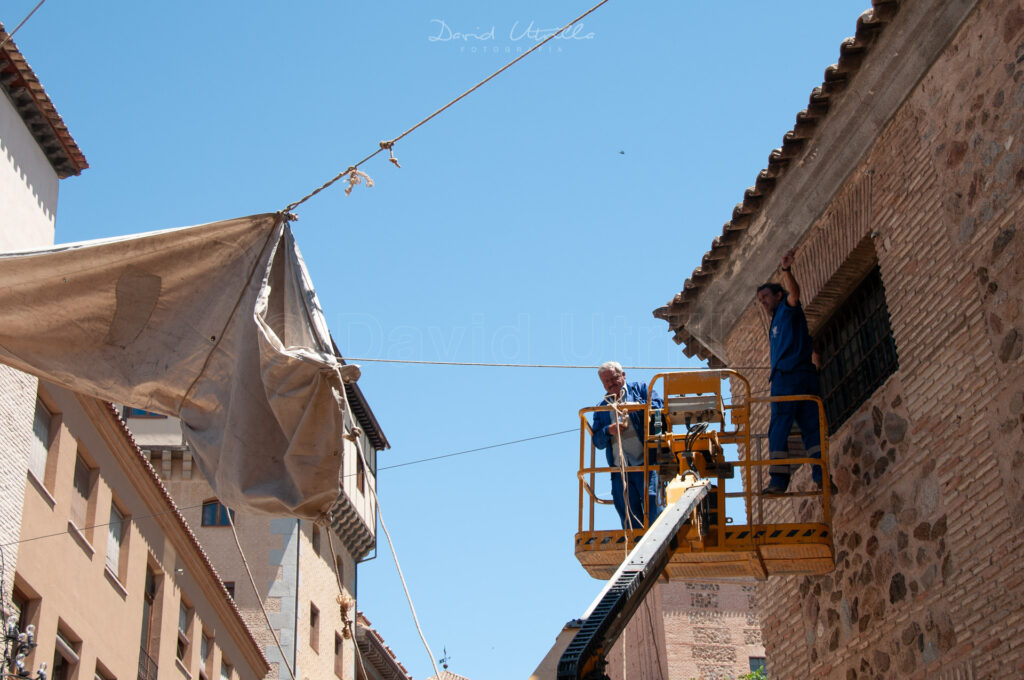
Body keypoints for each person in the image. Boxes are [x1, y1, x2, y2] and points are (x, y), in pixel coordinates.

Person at [756, 249, 826, 494]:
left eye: (765, 296)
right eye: (760, 299)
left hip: (789, 377)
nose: (763, 302)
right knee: (810, 426)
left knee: (781, 427)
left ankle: (778, 480)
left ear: (778, 294)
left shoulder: (788, 308)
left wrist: (786, 270)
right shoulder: (777, 321)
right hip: (804, 375)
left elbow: (795, 294)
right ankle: (820, 476)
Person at [591, 361, 664, 529]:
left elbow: (659, 406)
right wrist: (608, 430)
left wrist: (638, 407)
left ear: (623, 376)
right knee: (628, 515)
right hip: (621, 470)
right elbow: (597, 441)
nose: (610, 384)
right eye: (606, 382)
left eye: (613, 378)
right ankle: (637, 549)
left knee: (654, 504)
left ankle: (659, 542)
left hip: (646, 464)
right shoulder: (601, 408)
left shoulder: (641, 389)